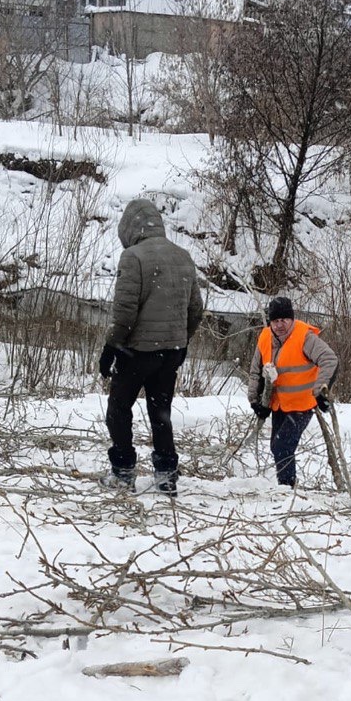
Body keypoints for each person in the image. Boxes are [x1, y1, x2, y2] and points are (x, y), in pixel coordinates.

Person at [98, 197, 204, 495]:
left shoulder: (133, 257)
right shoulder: (183, 256)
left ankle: (123, 472)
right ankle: (166, 474)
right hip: (170, 353)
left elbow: (125, 312)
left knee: (119, 409)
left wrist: (111, 348)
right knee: (161, 413)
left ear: (129, 228)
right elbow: (196, 309)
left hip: (138, 352)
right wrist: (181, 342)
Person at [246, 296, 339, 489]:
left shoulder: (305, 338)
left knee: (283, 446)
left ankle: (287, 489)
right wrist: (255, 400)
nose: (279, 325)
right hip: (279, 403)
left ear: (292, 319)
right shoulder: (265, 337)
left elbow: (329, 359)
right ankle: (287, 486)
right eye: (275, 321)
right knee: (276, 447)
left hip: (302, 405)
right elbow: (256, 370)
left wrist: (321, 392)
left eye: (284, 320)